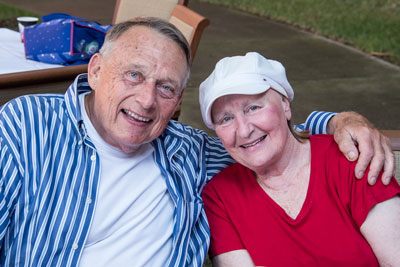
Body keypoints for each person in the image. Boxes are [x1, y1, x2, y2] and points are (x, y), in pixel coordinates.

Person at [0, 18, 394, 267]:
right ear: (98, 69)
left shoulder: (187, 150)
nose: (146, 100)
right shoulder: (28, 125)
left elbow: (272, 144)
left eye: (165, 87)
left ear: (179, 101)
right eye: (133, 75)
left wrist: (340, 121)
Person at [200, 52, 400, 267]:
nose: (244, 129)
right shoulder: (219, 197)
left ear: (285, 105)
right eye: (226, 119)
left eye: (253, 108)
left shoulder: (349, 158)